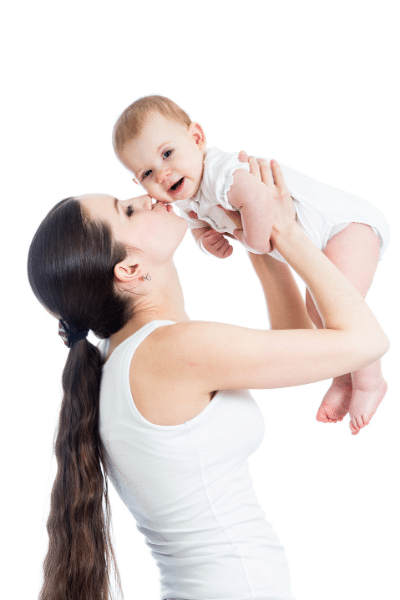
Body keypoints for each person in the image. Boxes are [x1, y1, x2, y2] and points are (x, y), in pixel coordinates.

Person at [28, 157, 388, 600]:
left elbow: (303, 340)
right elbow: (367, 340)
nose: (149, 196)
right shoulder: (171, 352)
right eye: (127, 210)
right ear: (128, 271)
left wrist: (259, 243)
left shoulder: (128, 355)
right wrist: (286, 231)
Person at [112, 95, 390, 435]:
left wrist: (255, 241)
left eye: (167, 153)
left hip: (345, 227)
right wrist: (205, 241)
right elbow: (202, 225)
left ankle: (369, 383)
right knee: (321, 313)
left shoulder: (221, 171)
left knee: (329, 311)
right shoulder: (188, 200)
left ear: (197, 138)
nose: (163, 173)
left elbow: (257, 198)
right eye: (148, 173)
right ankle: (345, 379)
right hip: (321, 241)